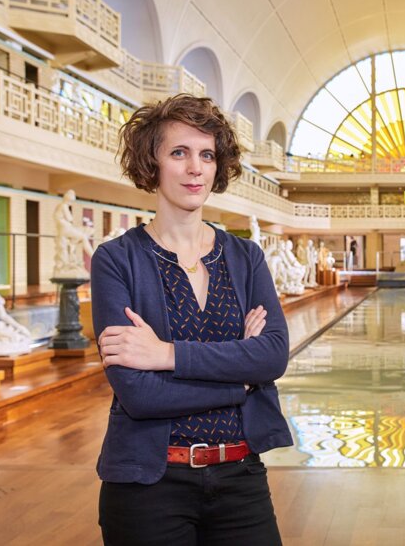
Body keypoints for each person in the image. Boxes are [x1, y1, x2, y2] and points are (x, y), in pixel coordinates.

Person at [91, 94, 292, 545]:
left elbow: (273, 356)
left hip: (241, 476)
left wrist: (164, 354)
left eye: (207, 155)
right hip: (147, 485)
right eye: (178, 153)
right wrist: (238, 381)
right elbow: (138, 394)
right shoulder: (116, 260)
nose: (195, 168)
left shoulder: (246, 257)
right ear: (153, 162)